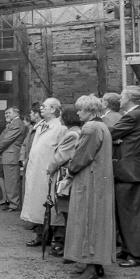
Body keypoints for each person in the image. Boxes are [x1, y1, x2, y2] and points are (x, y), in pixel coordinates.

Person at [64, 95, 115, 279]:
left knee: (87, 220)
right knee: (98, 220)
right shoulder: (102, 126)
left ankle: (91, 267)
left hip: (90, 180)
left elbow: (81, 156)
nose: (78, 113)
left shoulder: (90, 128)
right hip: (100, 180)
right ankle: (96, 263)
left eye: (81, 110)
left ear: (90, 111)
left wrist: (69, 172)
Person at [110, 85, 140, 268]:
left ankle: (136, 255)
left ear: (130, 98)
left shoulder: (133, 115)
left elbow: (110, 133)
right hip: (131, 170)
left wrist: (115, 138)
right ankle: (129, 250)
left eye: (122, 96)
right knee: (126, 214)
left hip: (129, 172)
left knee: (131, 216)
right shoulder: (139, 115)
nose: (120, 99)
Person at [21, 98, 66, 245]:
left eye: (45, 106)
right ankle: (41, 234)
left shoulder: (60, 127)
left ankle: (59, 239)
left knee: (53, 205)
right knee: (38, 203)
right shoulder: (41, 125)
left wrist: (53, 167)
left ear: (53, 109)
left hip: (50, 172)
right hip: (37, 171)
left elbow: (62, 151)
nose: (41, 108)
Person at [47, 106, 82, 256]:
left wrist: (50, 168)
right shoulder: (73, 132)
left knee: (64, 211)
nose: (60, 118)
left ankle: (66, 246)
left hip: (64, 176)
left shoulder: (72, 134)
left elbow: (61, 156)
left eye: (62, 116)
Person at [0, 107, 27, 212]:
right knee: (4, 177)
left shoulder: (16, 123)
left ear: (16, 113)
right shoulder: (13, 123)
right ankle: (8, 199)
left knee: (12, 181)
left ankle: (14, 204)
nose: (6, 115)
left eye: (8, 113)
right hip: (8, 155)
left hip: (11, 156)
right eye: (5, 113)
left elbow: (7, 139)